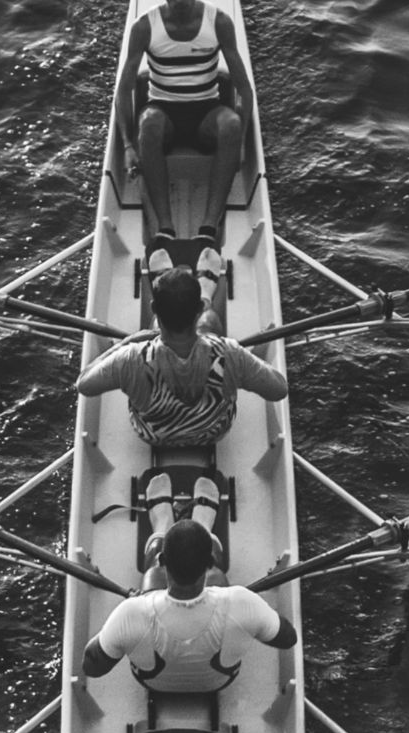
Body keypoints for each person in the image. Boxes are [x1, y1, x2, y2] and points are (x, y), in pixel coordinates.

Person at [76, 266, 286, 448]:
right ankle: (208, 293)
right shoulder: (229, 352)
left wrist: (126, 343)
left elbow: (84, 384)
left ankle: (171, 287)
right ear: (199, 309)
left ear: (154, 309)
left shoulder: (131, 357)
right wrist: (239, 368)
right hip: (213, 434)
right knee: (211, 321)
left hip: (153, 435)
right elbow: (279, 389)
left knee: (172, 329)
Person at [84, 518, 296, 692]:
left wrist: (132, 609)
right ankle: (204, 517)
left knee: (151, 576)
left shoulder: (130, 613)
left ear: (163, 560)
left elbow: (91, 668)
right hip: (219, 683)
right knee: (219, 579)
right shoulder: (242, 601)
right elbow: (288, 638)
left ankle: (162, 521)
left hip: (153, 684)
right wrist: (255, 612)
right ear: (210, 563)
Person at [117, 0, 255, 254]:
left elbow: (244, 90)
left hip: (206, 114)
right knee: (148, 123)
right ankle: (164, 227)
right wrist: (127, 145)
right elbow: (124, 91)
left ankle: (209, 226)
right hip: (163, 112)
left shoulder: (219, 22)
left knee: (231, 124)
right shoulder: (145, 27)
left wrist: (243, 143)